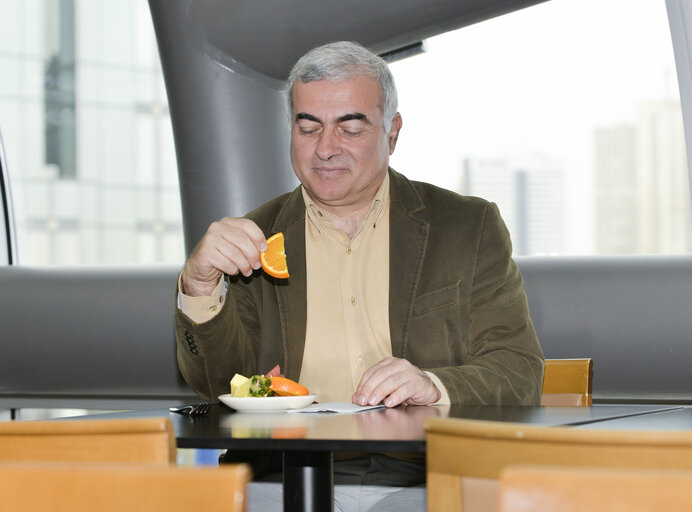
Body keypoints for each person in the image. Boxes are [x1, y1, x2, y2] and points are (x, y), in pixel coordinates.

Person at [175, 40, 544, 511]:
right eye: (308, 128)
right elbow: (218, 385)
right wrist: (201, 285)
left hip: (427, 476)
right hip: (280, 476)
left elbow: (518, 370)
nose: (326, 149)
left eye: (349, 128)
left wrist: (434, 385)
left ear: (392, 133)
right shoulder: (254, 240)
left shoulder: (466, 228)